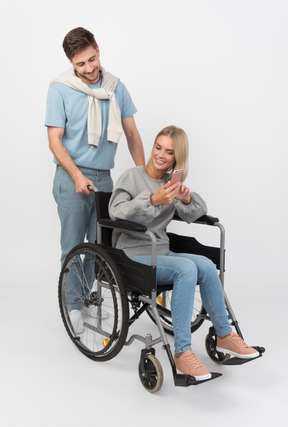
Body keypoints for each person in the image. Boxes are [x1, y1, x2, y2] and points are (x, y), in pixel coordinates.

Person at [108, 125, 259, 381]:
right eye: (158, 147)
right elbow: (115, 212)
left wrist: (187, 199)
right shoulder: (131, 177)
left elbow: (195, 212)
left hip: (162, 252)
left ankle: (224, 335)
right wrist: (152, 201)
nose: (161, 155)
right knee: (187, 268)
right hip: (131, 255)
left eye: (169, 152)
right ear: (153, 147)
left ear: (176, 159)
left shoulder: (171, 184)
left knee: (207, 265)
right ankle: (182, 353)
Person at [45, 28, 145, 328]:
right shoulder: (59, 88)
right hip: (71, 177)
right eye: (81, 65)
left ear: (98, 50)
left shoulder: (116, 87)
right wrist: (76, 175)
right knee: (74, 246)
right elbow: (54, 141)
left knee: (102, 247)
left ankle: (86, 298)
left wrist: (142, 177)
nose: (89, 69)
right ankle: (73, 307)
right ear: (71, 64)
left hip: (104, 179)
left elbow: (131, 134)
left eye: (91, 60)